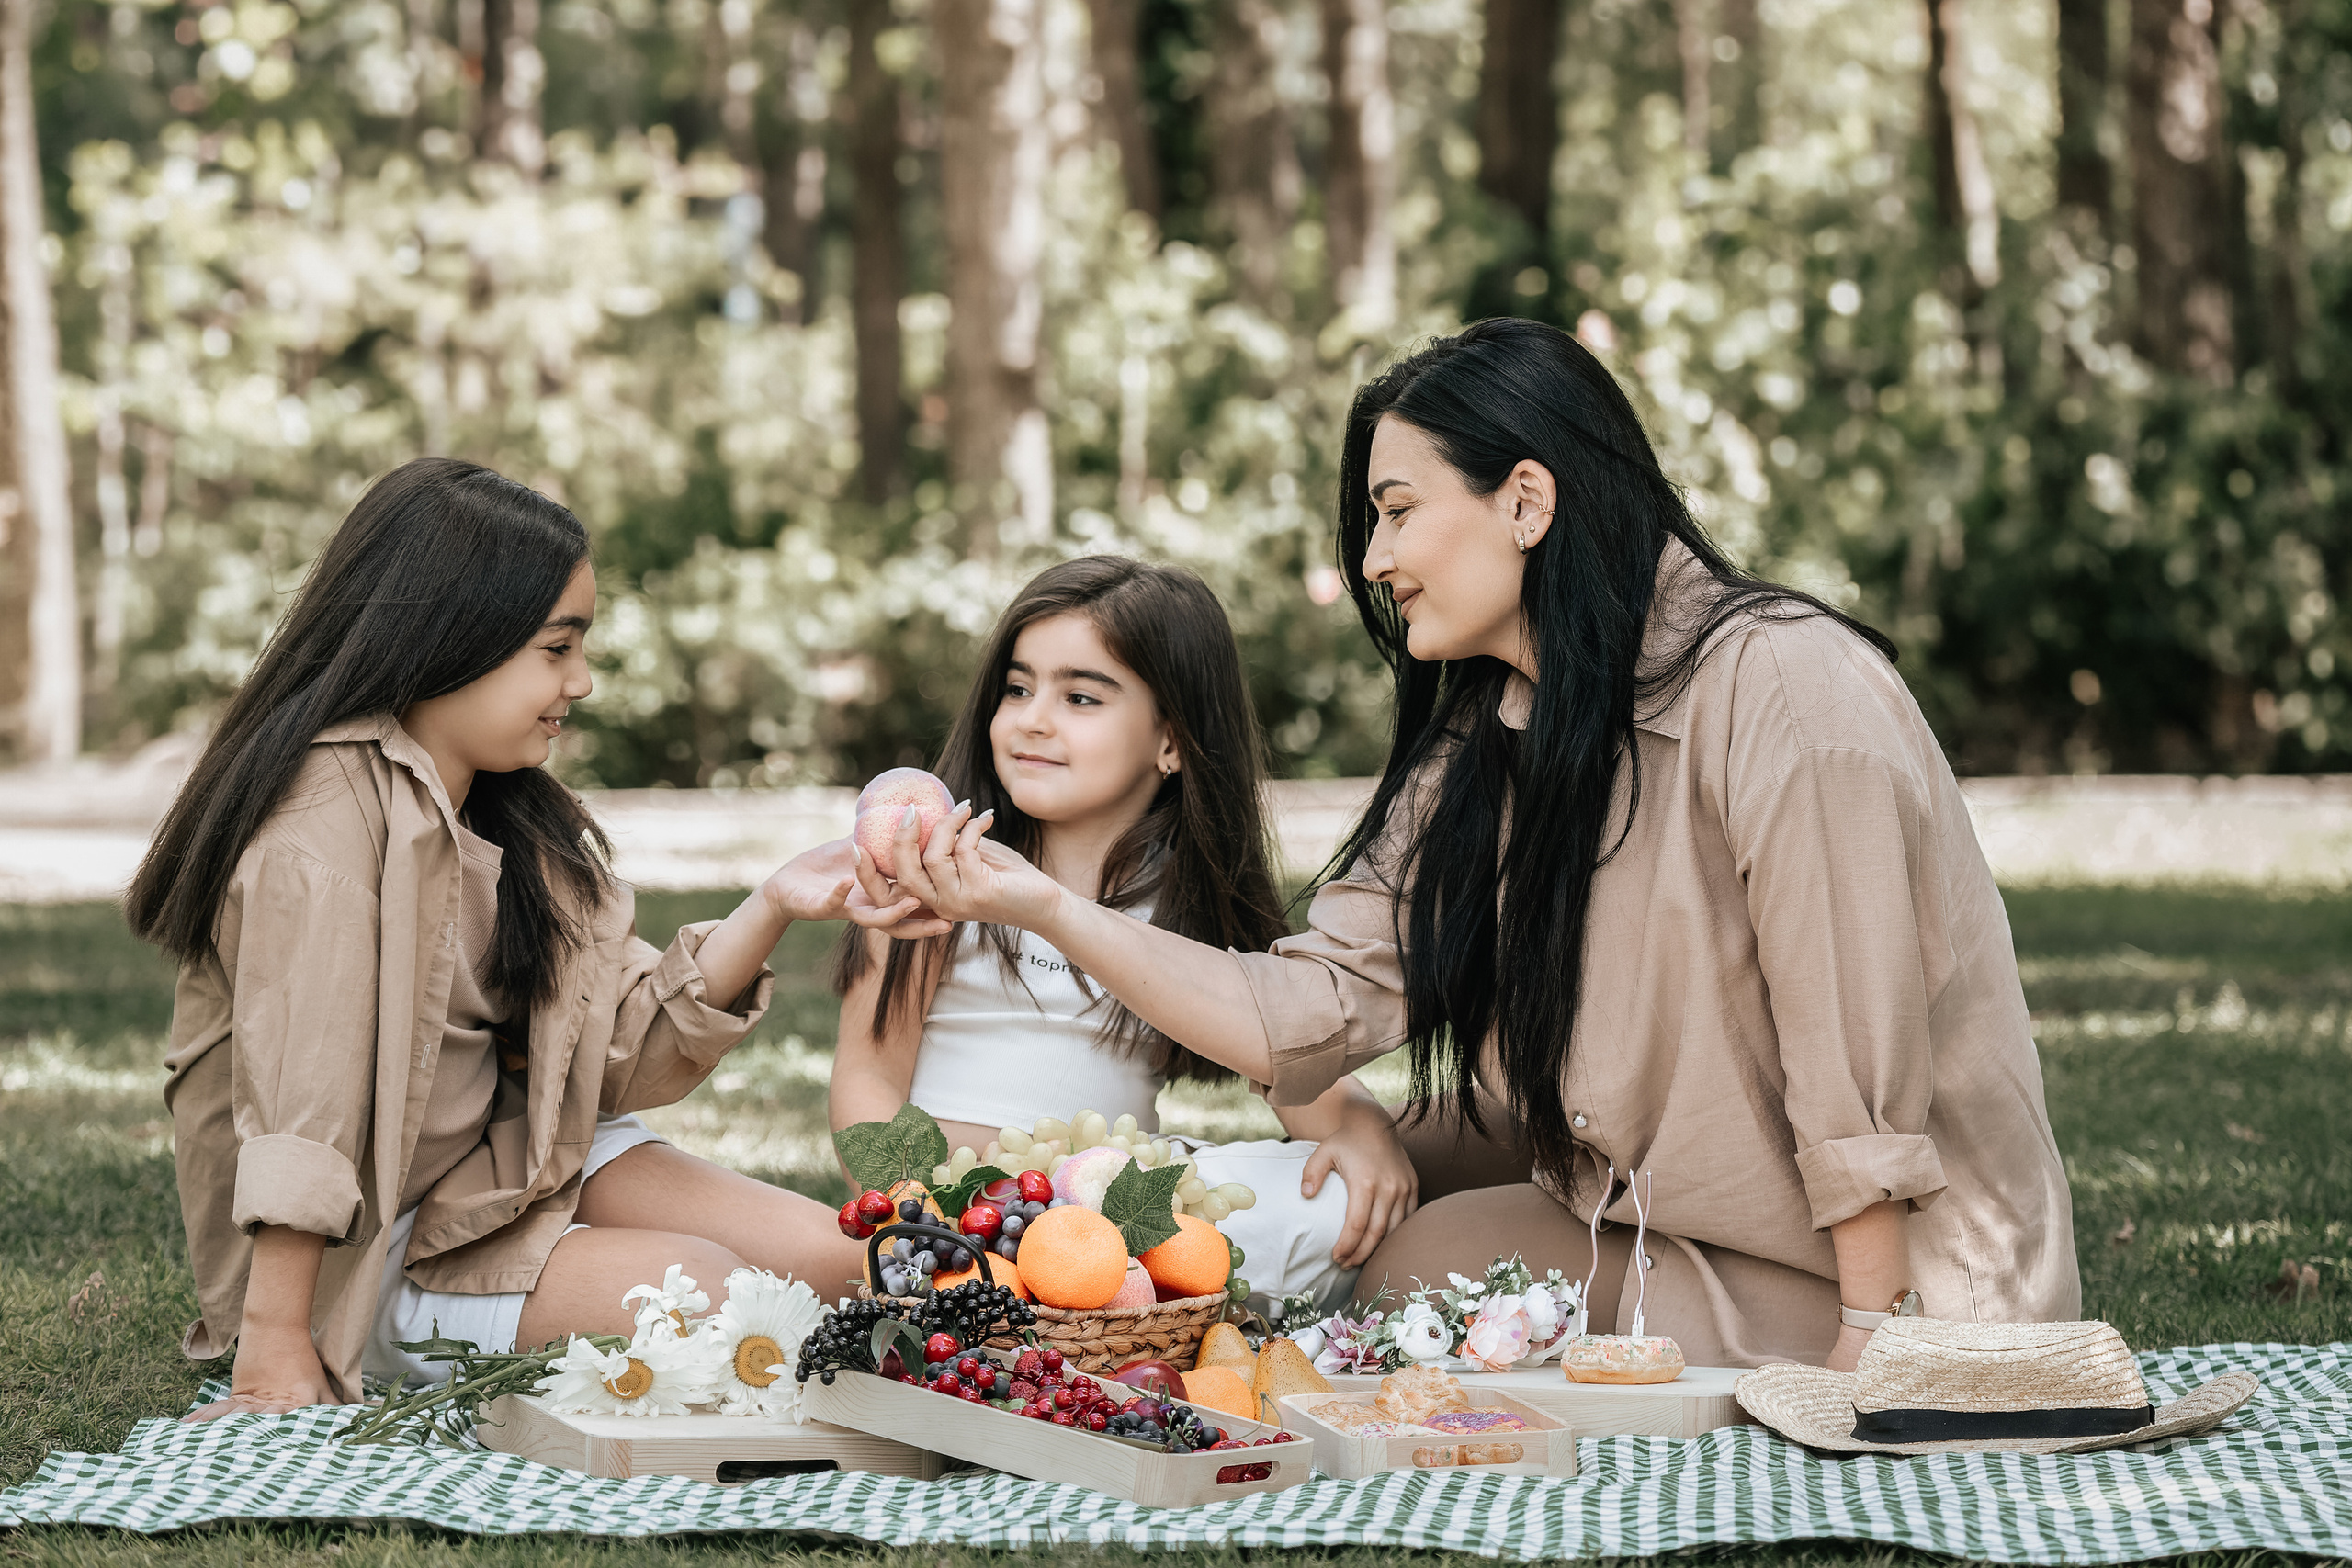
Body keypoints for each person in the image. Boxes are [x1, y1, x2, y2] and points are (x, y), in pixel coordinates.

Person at [852, 318, 2081, 1371]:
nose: (1374, 560)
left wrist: (1875, 1350)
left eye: (1396, 512)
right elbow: (1311, 1005)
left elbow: (1855, 1069)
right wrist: (1047, 905)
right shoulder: (1490, 730)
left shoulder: (1784, 688)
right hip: (1645, 1171)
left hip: (1885, 1270)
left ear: (1527, 501)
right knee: (1352, 1176)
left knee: (1410, 1261)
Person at [129, 458, 915, 1419]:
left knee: (855, 1263)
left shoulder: (506, 812)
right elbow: (305, 1103)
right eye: (556, 647)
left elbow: (618, 1053)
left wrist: (776, 902)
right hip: (368, 1249)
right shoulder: (322, 819)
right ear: (449, 637)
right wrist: (275, 1347)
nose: (579, 680)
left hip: (506, 1170)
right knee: (709, 1297)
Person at [828, 557, 1417, 1312]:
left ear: (1171, 740)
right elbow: (868, 1076)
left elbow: (1282, 1046)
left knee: (1327, 1197)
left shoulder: (1182, 901)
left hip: (1107, 1220)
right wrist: (913, 1214)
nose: (1032, 718)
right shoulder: (938, 870)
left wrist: (1362, 1125)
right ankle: (1078, 1300)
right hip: (964, 1218)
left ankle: (1111, 1296)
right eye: (1018, 688)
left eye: (1079, 696)